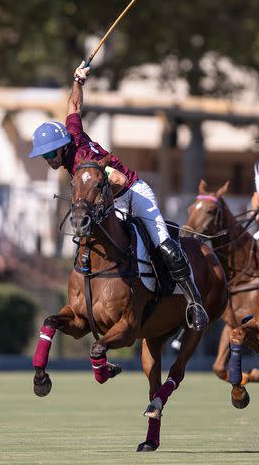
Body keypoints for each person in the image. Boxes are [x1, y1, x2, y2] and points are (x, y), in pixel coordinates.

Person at [27, 61, 209, 331]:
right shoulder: (72, 132)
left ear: (62, 147)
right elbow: (74, 107)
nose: (49, 159)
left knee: (162, 243)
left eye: (51, 153)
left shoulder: (83, 160)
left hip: (132, 192)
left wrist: (101, 189)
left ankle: (194, 301)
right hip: (106, 202)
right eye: (45, 156)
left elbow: (119, 179)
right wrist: (77, 80)